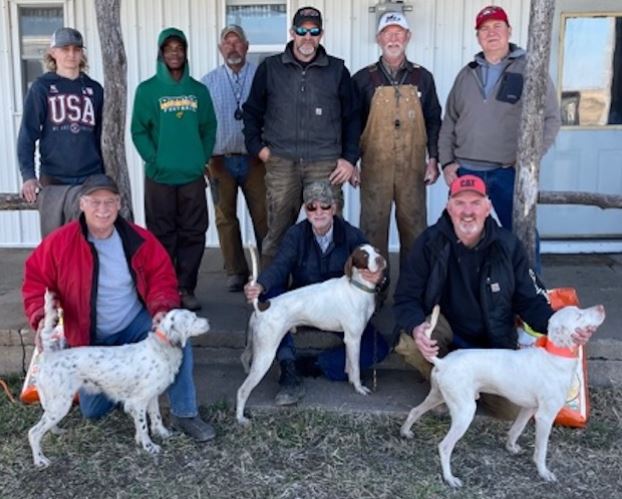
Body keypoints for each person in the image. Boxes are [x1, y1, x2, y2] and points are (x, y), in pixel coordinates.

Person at [22, 174, 215, 442]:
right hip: (90, 335)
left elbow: (162, 278)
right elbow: (34, 281)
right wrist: (41, 318)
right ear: (82, 204)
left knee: (177, 341)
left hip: (134, 323)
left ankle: (185, 413)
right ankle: (130, 389)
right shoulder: (59, 243)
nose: (103, 210)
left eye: (109, 202)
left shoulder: (139, 240)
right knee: (93, 411)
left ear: (119, 204)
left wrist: (161, 309)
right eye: (95, 202)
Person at [393, 175, 594, 419]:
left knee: (513, 411)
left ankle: (469, 388)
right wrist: (416, 327)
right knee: (409, 343)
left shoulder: (508, 246)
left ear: (488, 207)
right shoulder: (429, 242)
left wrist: (560, 327)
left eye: (475, 203)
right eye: (460, 203)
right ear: (448, 207)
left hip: (493, 346)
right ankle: (451, 389)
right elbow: (405, 297)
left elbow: (532, 301)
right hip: (446, 333)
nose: (468, 212)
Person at [244, 181, 389, 406]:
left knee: (378, 348)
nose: (318, 212)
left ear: (334, 208)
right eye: (312, 207)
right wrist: (260, 285)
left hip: (342, 311)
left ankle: (315, 364)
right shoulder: (295, 235)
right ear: (305, 209)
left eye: (325, 206)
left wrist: (379, 278)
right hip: (303, 306)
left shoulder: (351, 235)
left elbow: (375, 266)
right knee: (270, 293)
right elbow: (280, 266)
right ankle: (287, 367)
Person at [243, 6, 359, 268]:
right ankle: (271, 295)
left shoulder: (338, 71)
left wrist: (349, 159)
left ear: (321, 34)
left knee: (328, 232)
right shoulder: (270, 68)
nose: (308, 37)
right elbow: (252, 112)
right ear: (292, 32)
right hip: (281, 161)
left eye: (314, 31)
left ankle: (327, 292)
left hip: (325, 164)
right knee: (277, 233)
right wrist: (258, 149)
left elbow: (352, 119)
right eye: (302, 30)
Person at [439, 5, 561, 233]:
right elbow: (449, 123)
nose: (491, 33)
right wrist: (447, 164)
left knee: (519, 236)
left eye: (497, 26)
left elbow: (552, 119)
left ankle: (529, 271)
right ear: (477, 37)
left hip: (508, 173)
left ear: (509, 31)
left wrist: (528, 158)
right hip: (466, 171)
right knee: (460, 237)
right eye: (484, 29)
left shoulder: (531, 70)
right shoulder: (467, 74)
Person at [131, 28, 217, 311]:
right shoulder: (147, 90)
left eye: (179, 48)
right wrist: (153, 159)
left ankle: (186, 288)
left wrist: (200, 158)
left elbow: (208, 128)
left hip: (191, 175)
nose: (174, 53)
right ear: (160, 53)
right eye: (168, 48)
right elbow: (138, 130)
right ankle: (164, 290)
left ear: (185, 52)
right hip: (159, 177)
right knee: (160, 235)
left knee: (193, 233)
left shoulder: (198, 91)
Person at [353, 11, 442, 268]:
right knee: (372, 231)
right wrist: (351, 161)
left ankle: (411, 295)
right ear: (378, 39)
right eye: (387, 33)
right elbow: (351, 124)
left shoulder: (422, 77)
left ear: (408, 36)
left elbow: (435, 120)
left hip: (413, 170)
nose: (393, 38)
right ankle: (374, 292)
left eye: (398, 32)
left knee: (415, 231)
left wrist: (434, 159)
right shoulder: (362, 79)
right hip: (374, 169)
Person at [17, 27, 104, 237]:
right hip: (54, 178)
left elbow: (102, 137)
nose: (71, 54)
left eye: (76, 49)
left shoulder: (95, 89)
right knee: (57, 243)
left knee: (89, 241)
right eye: (65, 49)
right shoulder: (42, 88)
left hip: (90, 177)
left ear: (82, 53)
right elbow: (27, 134)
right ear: (53, 53)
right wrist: (28, 176)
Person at [201, 25, 268, 292]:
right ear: (220, 49)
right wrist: (203, 158)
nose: (232, 47)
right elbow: (201, 124)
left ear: (247, 46)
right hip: (219, 160)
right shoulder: (208, 82)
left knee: (263, 217)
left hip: (256, 160)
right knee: (224, 217)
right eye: (227, 43)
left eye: (237, 42)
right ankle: (235, 271)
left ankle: (268, 269)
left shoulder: (261, 77)